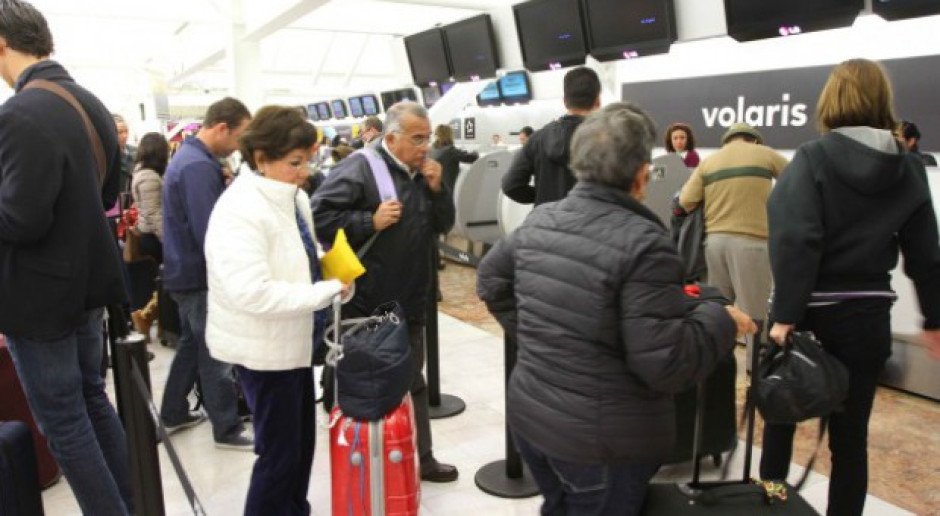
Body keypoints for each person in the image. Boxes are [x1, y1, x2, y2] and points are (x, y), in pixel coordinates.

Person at [477, 103, 756, 515]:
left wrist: (545, 338)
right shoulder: (646, 243)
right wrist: (719, 319)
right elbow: (666, 363)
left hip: (533, 420)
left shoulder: (541, 220)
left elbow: (490, 280)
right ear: (642, 174)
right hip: (601, 443)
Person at [760, 58, 940, 516]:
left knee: (780, 413)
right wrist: (935, 319)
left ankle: (771, 500)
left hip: (809, 317)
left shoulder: (812, 158)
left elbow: (796, 239)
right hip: (867, 322)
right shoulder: (910, 167)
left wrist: (784, 316)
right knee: (850, 440)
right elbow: (926, 256)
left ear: (831, 99)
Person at [0, 1, 133, 513]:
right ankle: (131, 502)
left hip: (40, 300)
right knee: (93, 402)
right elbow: (103, 198)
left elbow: (22, 220)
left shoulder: (19, 112)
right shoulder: (89, 103)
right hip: (86, 287)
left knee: (64, 424)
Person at [204, 106, 347, 515]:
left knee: (300, 445)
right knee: (279, 454)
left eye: (308, 161)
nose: (305, 172)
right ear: (261, 158)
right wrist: (324, 291)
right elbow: (252, 292)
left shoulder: (293, 197)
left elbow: (300, 250)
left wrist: (328, 265)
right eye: (295, 163)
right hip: (264, 352)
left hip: (296, 341)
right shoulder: (240, 210)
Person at [312, 101, 459, 483]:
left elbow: (442, 225)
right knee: (367, 384)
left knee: (414, 381)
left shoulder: (422, 173)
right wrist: (367, 220)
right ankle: (367, 461)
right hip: (369, 306)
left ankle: (422, 458)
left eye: (428, 137)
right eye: (417, 138)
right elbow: (318, 214)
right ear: (391, 138)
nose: (426, 145)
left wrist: (438, 189)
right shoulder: (362, 167)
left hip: (413, 300)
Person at [160, 97, 254, 449]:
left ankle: (172, 411)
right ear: (221, 128)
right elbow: (210, 230)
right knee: (214, 350)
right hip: (199, 275)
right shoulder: (198, 167)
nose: (238, 145)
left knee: (190, 344)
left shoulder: (190, 158)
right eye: (239, 136)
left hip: (184, 271)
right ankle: (227, 428)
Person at [678, 122, 788, 363]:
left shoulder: (710, 161)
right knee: (754, 313)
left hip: (714, 244)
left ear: (727, 140)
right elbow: (796, 181)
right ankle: (756, 375)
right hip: (752, 244)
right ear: (754, 140)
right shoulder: (765, 154)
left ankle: (719, 372)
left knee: (719, 310)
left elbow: (685, 201)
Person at [502, 66, 601, 205]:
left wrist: (542, 197)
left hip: (546, 222)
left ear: (565, 102)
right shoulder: (606, 140)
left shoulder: (537, 138)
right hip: (591, 223)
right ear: (598, 101)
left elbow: (511, 185)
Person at [129, 132, 170, 341]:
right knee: (168, 279)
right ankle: (145, 315)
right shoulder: (150, 177)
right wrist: (169, 241)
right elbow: (154, 213)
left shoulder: (141, 173)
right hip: (152, 238)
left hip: (147, 234)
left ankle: (149, 316)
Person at [430, 123, 479, 198]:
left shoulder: (432, 150)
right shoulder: (450, 150)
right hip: (449, 189)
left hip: (435, 188)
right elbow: (471, 158)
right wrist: (476, 152)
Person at [113, 114, 136, 195]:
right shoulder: (108, 156)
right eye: (120, 132)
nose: (125, 135)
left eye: (126, 131)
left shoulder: (135, 151)